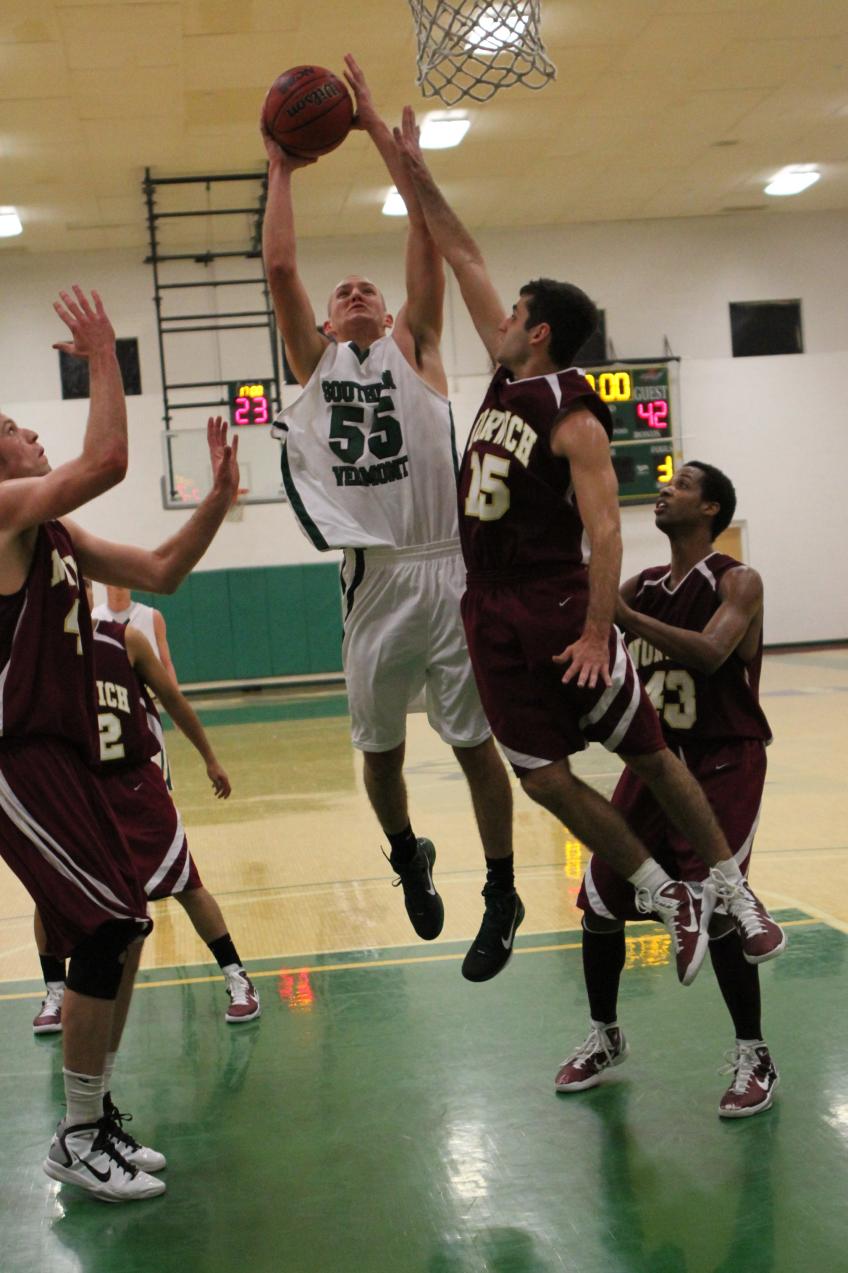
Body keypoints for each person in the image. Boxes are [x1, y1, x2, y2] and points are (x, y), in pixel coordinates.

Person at [392, 111, 785, 986]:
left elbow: (605, 529)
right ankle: (662, 889)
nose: (498, 319)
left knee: (645, 748)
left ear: (536, 331)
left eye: (515, 315)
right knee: (541, 776)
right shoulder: (508, 375)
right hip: (484, 602)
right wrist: (410, 169)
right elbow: (464, 255)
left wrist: (601, 628)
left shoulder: (570, 411)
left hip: (551, 596)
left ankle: (729, 884)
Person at [262, 56, 516, 981]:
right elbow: (282, 264)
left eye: (370, 287)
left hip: (448, 566)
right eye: (346, 294)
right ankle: (409, 851)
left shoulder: (418, 343)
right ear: (325, 328)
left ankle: (501, 888)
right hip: (372, 579)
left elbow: (426, 236)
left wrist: (377, 133)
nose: (360, 290)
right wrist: (281, 164)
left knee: (476, 743)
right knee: (380, 755)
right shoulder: (314, 364)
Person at [0, 285, 239, 1201]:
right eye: (19, 428)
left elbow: (163, 571)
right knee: (106, 926)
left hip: (68, 760)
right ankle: (73, 1134)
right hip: (20, 758)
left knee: (125, 925)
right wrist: (103, 355)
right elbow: (104, 458)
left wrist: (217, 500)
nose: (34, 435)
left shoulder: (52, 531)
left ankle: (93, 1120)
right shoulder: (8, 516)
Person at [556, 462, 779, 1116]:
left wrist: (625, 615)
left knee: (720, 905)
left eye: (681, 483)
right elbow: (593, 626)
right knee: (599, 893)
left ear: (710, 508)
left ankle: (755, 1055)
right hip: (656, 763)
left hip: (723, 760)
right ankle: (604, 1035)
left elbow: (711, 654)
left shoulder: (737, 579)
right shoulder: (646, 584)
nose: (664, 489)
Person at [33, 600, 259, 1035]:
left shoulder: (125, 642)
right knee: (49, 891)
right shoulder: (40, 654)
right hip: (80, 792)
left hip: (136, 784)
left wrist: (210, 758)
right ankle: (55, 990)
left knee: (186, 884)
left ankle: (237, 976)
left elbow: (172, 699)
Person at [91, 586, 177, 684]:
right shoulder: (92, 618)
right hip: (110, 695)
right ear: (104, 581)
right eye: (116, 574)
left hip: (150, 696)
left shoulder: (152, 616)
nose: (119, 579)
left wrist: (175, 697)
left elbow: (166, 663)